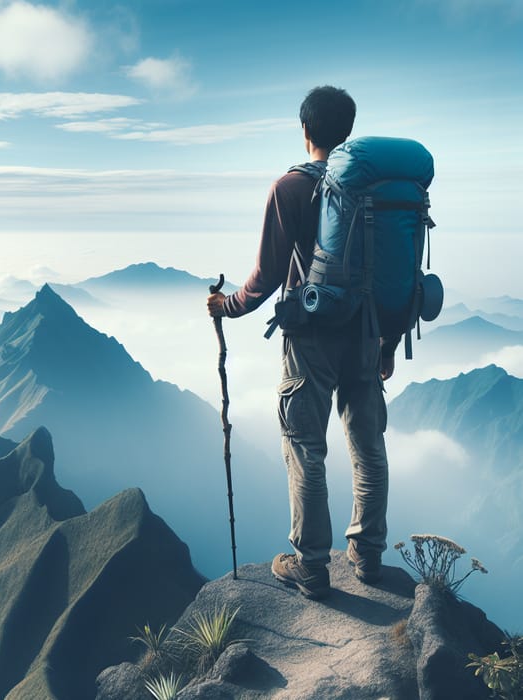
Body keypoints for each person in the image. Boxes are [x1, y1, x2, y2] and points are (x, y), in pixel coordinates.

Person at [207, 85, 398, 600]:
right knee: (368, 445)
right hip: (365, 333)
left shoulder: (288, 188)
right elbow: (389, 275)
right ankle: (368, 554)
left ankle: (311, 565)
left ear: (306, 130)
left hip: (310, 339)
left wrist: (224, 306)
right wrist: (387, 343)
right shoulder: (378, 191)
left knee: (305, 449)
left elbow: (265, 277)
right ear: (348, 133)